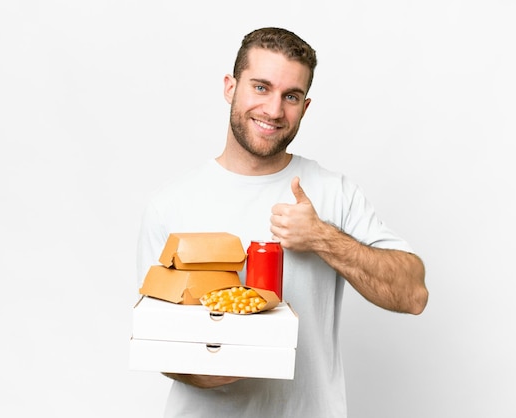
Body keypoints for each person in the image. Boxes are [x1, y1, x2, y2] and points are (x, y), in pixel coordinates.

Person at [137, 27, 428, 418]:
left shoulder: (331, 192)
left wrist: (322, 237)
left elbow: (413, 295)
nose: (274, 110)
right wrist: (226, 362)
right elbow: (155, 337)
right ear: (230, 87)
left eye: (290, 96)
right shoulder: (170, 204)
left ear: (305, 107)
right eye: (260, 87)